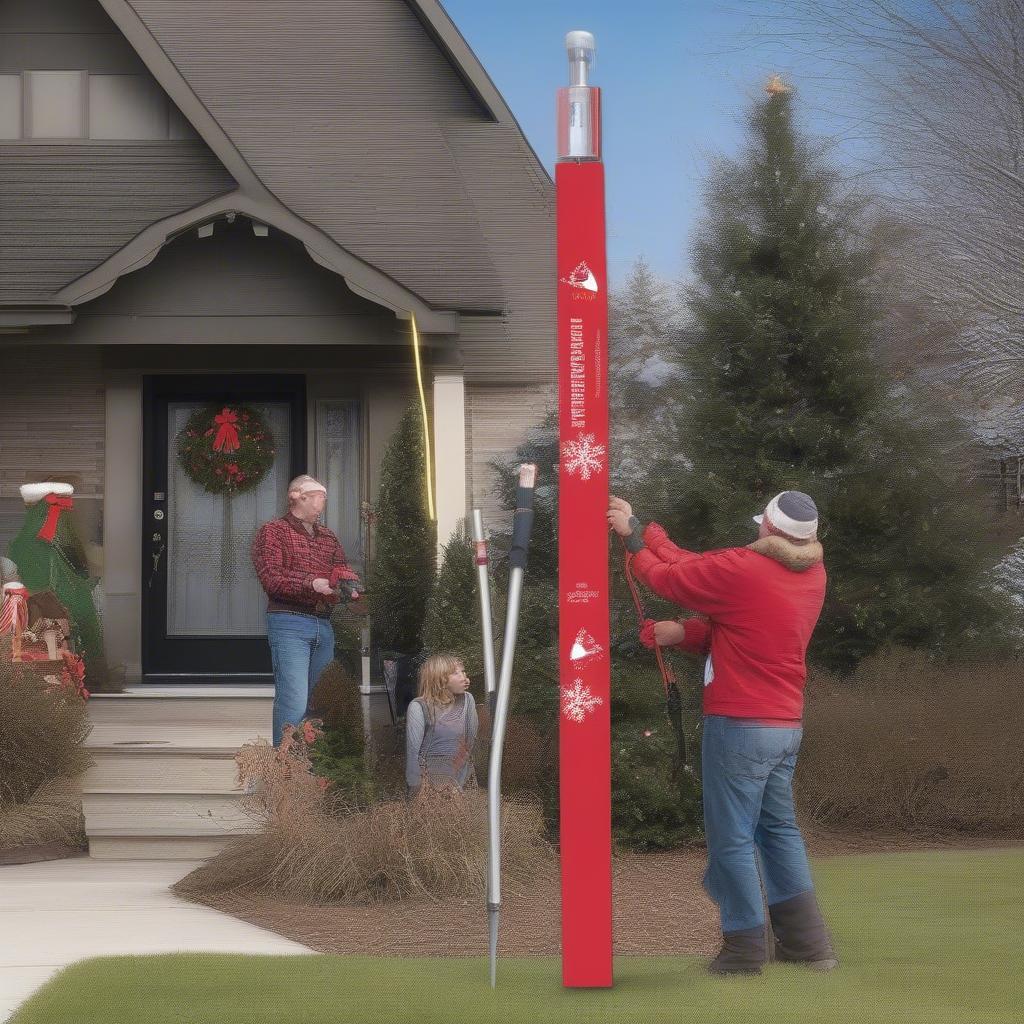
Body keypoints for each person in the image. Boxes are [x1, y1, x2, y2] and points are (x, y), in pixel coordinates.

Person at [608, 490, 838, 976]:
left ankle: (742, 950)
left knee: (731, 838)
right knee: (778, 831)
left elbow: (671, 577)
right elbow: (736, 624)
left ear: (770, 531)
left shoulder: (746, 568)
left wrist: (633, 538)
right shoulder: (812, 574)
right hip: (783, 725)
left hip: (739, 725)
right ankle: (807, 945)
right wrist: (680, 629)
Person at [252, 474, 360, 746]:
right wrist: (311, 583)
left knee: (318, 699)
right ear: (298, 496)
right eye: (318, 494)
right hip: (289, 622)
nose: (323, 500)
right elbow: (272, 579)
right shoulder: (273, 532)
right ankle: (285, 770)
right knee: (294, 699)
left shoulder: (328, 537)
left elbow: (340, 569)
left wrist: (349, 586)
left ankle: (312, 767)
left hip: (323, 624)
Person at [405, 654, 479, 796]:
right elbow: (413, 753)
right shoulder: (419, 706)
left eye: (463, 672)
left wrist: (458, 783)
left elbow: (470, 742)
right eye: (456, 673)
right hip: (427, 782)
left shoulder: (468, 700)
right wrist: (417, 791)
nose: (464, 677)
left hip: (457, 779)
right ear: (439, 679)